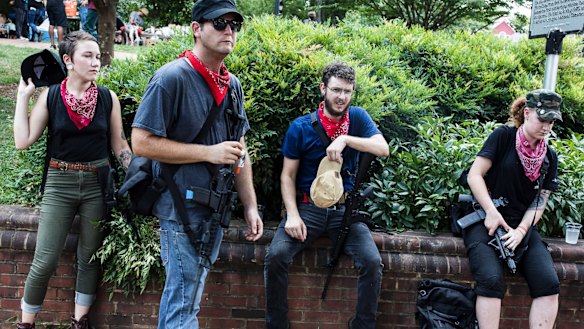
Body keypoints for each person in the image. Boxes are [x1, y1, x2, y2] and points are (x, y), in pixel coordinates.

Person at [130, 0, 263, 328]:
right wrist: (208, 152)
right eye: (219, 23)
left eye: (234, 24)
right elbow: (141, 142)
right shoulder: (171, 78)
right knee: (184, 301)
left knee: (184, 299)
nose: (229, 30)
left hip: (214, 209)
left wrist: (250, 206)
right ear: (196, 28)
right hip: (180, 211)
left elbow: (239, 148)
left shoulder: (232, 86)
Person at [13, 30, 132, 329]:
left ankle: (80, 322)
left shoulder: (107, 98)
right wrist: (22, 99)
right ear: (68, 60)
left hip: (97, 184)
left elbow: (119, 146)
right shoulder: (51, 96)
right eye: (87, 56)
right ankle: (25, 324)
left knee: (89, 258)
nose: (96, 62)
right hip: (59, 183)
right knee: (45, 259)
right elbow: (23, 140)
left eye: (98, 57)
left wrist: (139, 177)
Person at [264, 62, 389, 329]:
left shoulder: (357, 118)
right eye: (335, 90)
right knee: (276, 256)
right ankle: (277, 324)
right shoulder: (300, 127)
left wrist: (345, 140)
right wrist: (293, 216)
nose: (341, 97)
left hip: (344, 211)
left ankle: (363, 325)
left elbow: (382, 148)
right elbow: (287, 176)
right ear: (323, 89)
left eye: (347, 91)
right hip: (308, 210)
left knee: (372, 262)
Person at [464, 89, 562, 329]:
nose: (546, 126)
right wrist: (491, 212)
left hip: (521, 226)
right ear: (527, 113)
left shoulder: (549, 156)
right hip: (485, 219)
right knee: (491, 280)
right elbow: (474, 176)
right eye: (542, 119)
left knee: (549, 283)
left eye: (551, 121)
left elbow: (540, 200)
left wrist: (520, 231)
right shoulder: (503, 137)